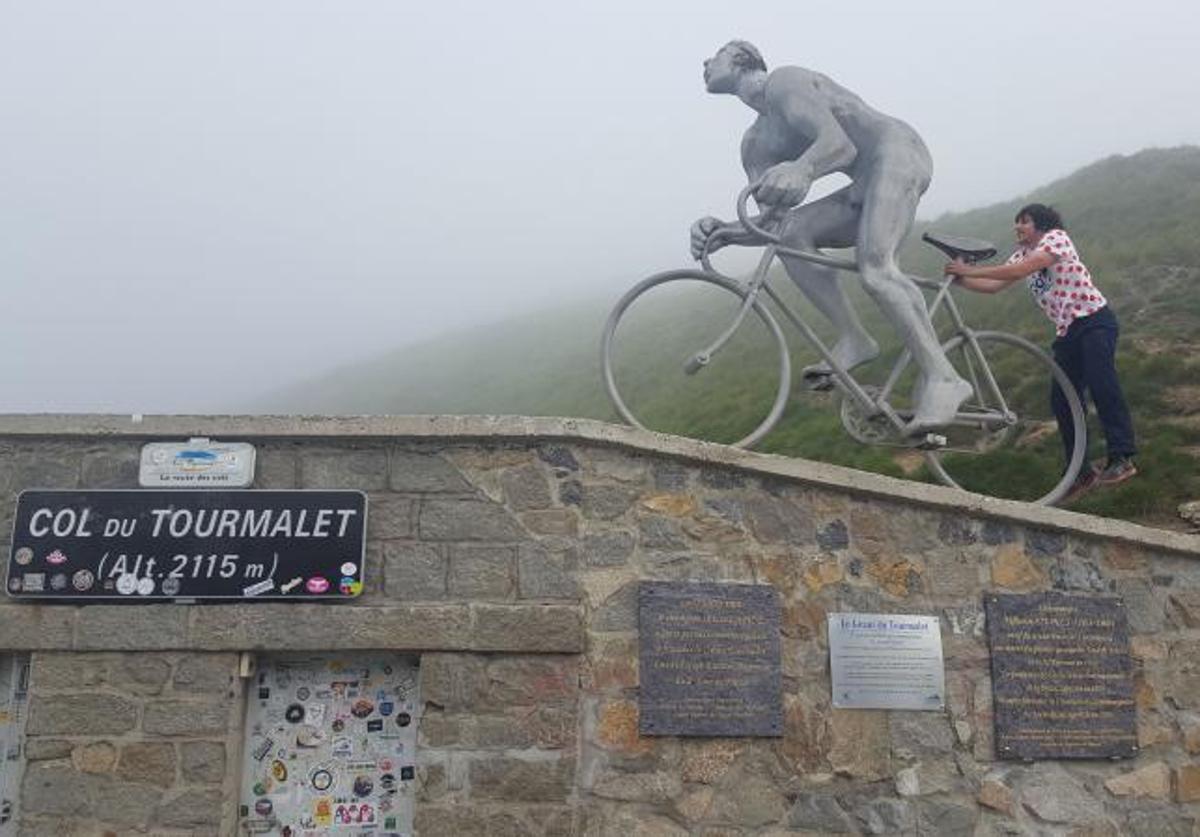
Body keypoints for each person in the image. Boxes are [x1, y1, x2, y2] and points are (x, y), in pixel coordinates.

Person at [689, 40, 972, 433]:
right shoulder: (755, 143)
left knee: (875, 269)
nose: (705, 61)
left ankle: (945, 378)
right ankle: (854, 338)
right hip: (861, 183)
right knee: (790, 233)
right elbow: (770, 222)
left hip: (896, 154)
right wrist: (724, 231)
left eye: (715, 54)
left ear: (741, 59)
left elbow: (839, 144)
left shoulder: (785, 82)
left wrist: (802, 169)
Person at [944, 203, 1137, 498]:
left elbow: (1022, 270)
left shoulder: (1056, 238)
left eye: (1024, 221)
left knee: (1102, 383)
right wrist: (962, 279)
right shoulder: (1021, 255)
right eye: (1016, 222)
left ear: (1041, 224)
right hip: (1067, 332)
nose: (1018, 227)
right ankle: (1080, 470)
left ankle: (1121, 457)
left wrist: (970, 268)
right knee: (1063, 401)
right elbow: (995, 285)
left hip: (1093, 320)